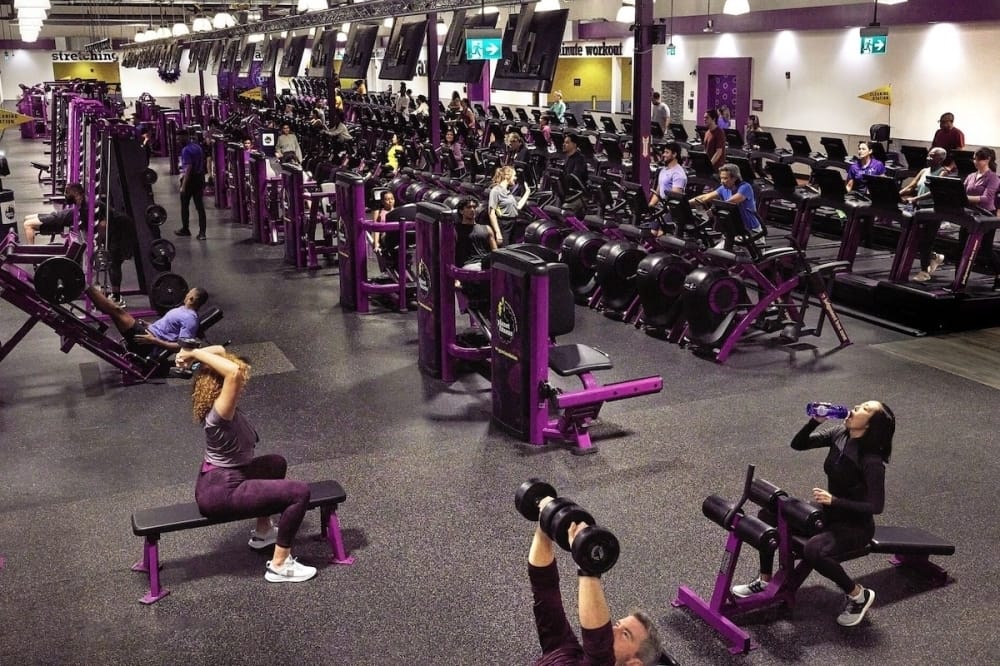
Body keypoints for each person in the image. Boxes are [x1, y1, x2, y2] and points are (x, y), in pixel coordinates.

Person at [731, 400, 896, 628]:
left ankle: (858, 595)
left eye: (865, 409)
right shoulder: (840, 433)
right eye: (860, 405)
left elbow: (876, 506)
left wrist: (835, 500)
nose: (856, 408)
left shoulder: (872, 461)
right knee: (770, 515)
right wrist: (814, 422)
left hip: (854, 526)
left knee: (813, 550)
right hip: (828, 513)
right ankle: (764, 580)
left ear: (870, 424)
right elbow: (798, 444)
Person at [178, 345, 317, 584]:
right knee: (299, 493)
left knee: (275, 463)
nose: (242, 384)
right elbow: (233, 372)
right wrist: (194, 354)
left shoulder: (221, 407)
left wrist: (191, 353)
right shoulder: (220, 414)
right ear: (221, 386)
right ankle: (280, 564)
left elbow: (220, 350)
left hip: (219, 479)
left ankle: (264, 531)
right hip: (222, 491)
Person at [527, 497, 664, 665]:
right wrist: (547, 522)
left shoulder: (597, 656)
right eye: (617, 624)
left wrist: (587, 561)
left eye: (625, 634)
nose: (612, 630)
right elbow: (544, 589)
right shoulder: (565, 648)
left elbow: (599, 646)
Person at [914, 147, 1000, 284]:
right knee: (961, 248)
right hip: (970, 216)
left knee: (985, 250)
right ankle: (957, 281)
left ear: (988, 159)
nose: (975, 162)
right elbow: (960, 191)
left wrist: (963, 198)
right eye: (974, 159)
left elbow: (986, 199)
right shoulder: (971, 176)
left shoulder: (993, 178)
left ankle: (999, 272)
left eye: (978, 159)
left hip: (986, 216)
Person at [85, 284, 208, 358]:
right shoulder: (183, 309)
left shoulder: (190, 319)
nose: (186, 294)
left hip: (148, 343)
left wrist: (154, 341)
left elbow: (181, 347)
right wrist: (149, 325)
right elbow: (168, 329)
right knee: (113, 311)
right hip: (148, 333)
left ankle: (84, 285)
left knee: (116, 310)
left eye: (188, 293)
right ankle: (85, 286)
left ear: (192, 298)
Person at [690, 162, 764, 242]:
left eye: (725, 178)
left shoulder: (745, 187)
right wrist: (686, 203)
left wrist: (714, 209)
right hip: (735, 232)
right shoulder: (723, 188)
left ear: (734, 178)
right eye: (721, 178)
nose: (722, 181)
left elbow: (730, 203)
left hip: (752, 232)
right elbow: (704, 197)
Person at [647, 142, 688, 236]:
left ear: (674, 154)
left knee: (660, 234)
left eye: (667, 152)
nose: (663, 155)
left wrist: (664, 213)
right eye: (664, 152)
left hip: (672, 210)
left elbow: (675, 199)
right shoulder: (663, 170)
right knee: (651, 232)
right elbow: (658, 192)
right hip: (662, 207)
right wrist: (650, 206)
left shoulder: (678, 174)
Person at [488, 166, 530, 245]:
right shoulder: (496, 191)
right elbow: (491, 213)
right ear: (507, 176)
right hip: (504, 224)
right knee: (504, 248)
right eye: (514, 176)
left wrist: (527, 192)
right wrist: (498, 232)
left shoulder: (508, 191)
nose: (515, 178)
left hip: (513, 223)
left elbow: (518, 207)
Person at [454, 197, 496, 268]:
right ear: (461, 211)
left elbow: (495, 251)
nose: (472, 210)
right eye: (469, 207)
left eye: (474, 207)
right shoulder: (456, 230)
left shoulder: (487, 228)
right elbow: (450, 253)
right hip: (469, 265)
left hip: (486, 263)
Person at [560, 133, 590, 213]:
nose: (564, 144)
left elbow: (575, 177)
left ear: (574, 145)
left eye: (567, 143)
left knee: (564, 210)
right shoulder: (567, 157)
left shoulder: (580, 159)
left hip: (577, 194)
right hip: (567, 191)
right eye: (564, 142)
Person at [370, 190, 395, 255]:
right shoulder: (379, 212)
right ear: (382, 202)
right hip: (385, 236)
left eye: (392, 199)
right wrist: (376, 244)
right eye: (387, 199)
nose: (390, 201)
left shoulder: (397, 211)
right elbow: (376, 229)